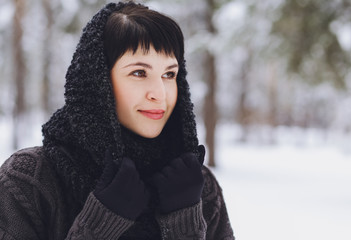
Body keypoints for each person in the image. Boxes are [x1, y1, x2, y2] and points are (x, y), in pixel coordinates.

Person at [0, 1, 235, 239]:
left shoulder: (197, 185)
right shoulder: (30, 180)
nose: (160, 93)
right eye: (139, 73)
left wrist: (184, 224)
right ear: (97, 82)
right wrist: (102, 222)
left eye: (169, 74)